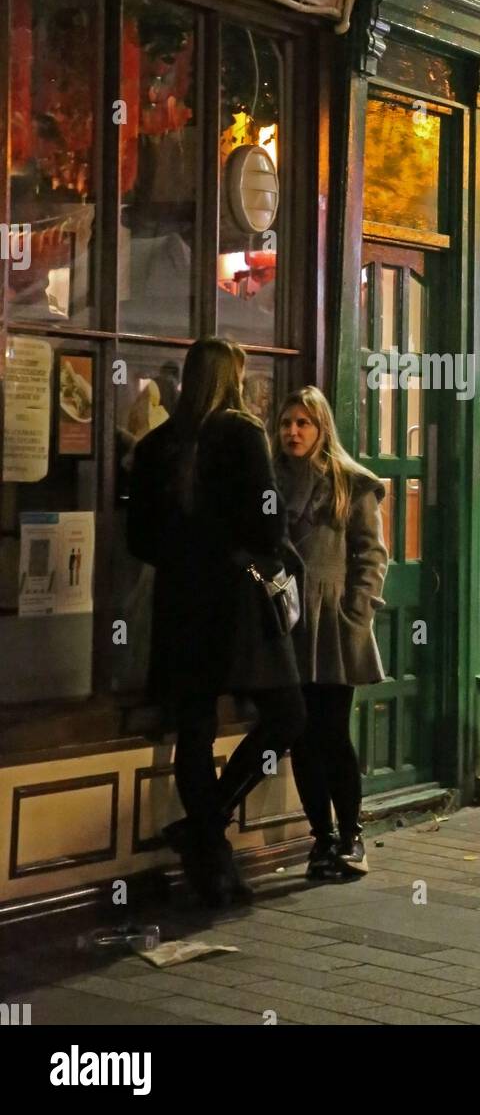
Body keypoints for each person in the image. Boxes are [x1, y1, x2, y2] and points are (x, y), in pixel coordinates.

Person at [128, 338, 305, 906]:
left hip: (182, 601)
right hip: (238, 600)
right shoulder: (244, 433)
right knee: (287, 715)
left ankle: (209, 859)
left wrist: (185, 557)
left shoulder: (157, 445)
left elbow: (140, 537)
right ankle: (208, 832)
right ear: (234, 377)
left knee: (195, 728)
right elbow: (270, 522)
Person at [274, 386, 388, 881]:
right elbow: (259, 554)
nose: (293, 432)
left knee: (332, 732)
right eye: (286, 423)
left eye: (303, 423)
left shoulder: (350, 484)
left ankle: (351, 834)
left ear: (321, 429)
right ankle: (319, 838)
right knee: (300, 734)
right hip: (287, 620)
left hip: (332, 620)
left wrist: (357, 611)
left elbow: (372, 555)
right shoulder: (269, 484)